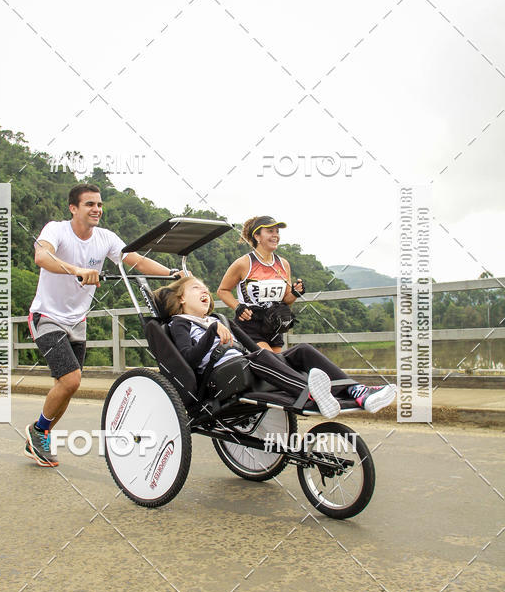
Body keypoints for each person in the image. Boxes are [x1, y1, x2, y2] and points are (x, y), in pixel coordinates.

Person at [25, 185, 180, 467]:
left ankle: (41, 431)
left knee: (68, 385)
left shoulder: (105, 238)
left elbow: (136, 261)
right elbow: (41, 257)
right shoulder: (56, 230)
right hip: (46, 316)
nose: (97, 209)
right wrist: (77, 270)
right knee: (71, 379)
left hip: (77, 321)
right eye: (89, 204)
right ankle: (39, 431)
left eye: (99, 204)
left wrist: (171, 274)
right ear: (73, 208)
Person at [155, 277, 396, 416]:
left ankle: (356, 392)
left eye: (205, 288)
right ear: (182, 298)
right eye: (196, 288)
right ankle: (310, 393)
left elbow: (250, 346)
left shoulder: (218, 319)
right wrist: (210, 333)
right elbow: (188, 358)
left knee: (301, 351)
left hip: (247, 360)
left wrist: (219, 327)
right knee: (258, 358)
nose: (204, 290)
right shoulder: (180, 323)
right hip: (220, 375)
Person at [217, 216, 304, 353]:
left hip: (274, 324)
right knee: (272, 362)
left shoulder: (284, 264)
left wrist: (295, 293)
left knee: (279, 366)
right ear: (257, 236)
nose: (275, 235)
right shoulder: (243, 263)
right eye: (270, 231)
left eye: (277, 231)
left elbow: (286, 301)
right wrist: (238, 307)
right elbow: (222, 290)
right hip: (250, 324)